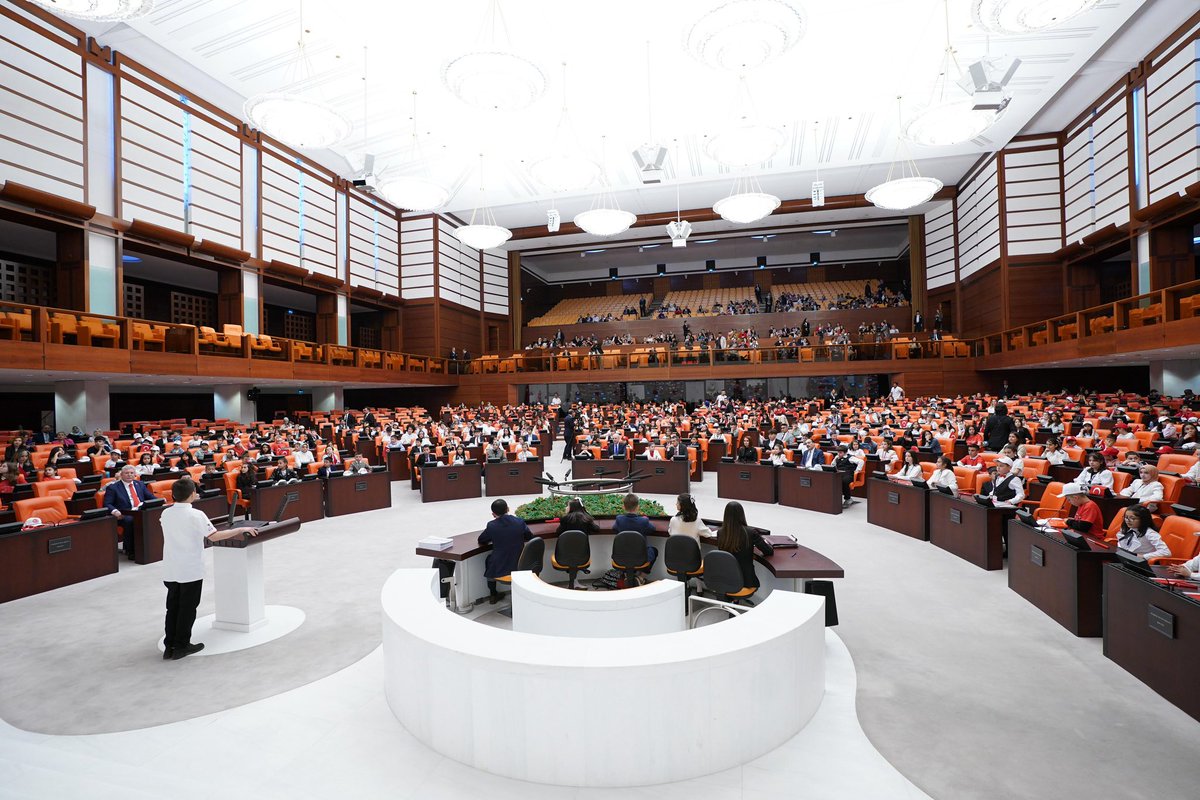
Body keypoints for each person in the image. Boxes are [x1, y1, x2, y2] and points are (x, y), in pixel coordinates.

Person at [161, 478, 256, 660]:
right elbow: (214, 536)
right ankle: (181, 645)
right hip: (189, 568)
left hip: (171, 567)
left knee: (172, 607)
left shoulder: (166, 513)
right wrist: (240, 529)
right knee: (187, 609)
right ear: (192, 495)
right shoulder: (196, 514)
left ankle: (170, 645)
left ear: (173, 495)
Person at [478, 499, 533, 603]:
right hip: (520, 564)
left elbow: (482, 539)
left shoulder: (492, 525)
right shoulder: (519, 521)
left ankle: (493, 595)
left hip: (499, 567)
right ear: (508, 509)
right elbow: (529, 536)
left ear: (493, 514)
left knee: (489, 560)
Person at [716, 501, 773, 590]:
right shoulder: (751, 533)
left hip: (726, 579)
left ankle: (734, 601)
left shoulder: (720, 533)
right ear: (741, 515)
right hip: (746, 581)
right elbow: (768, 551)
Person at [103, 464, 154, 559]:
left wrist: (160, 500)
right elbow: (107, 504)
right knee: (130, 521)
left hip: (140, 511)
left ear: (135, 474)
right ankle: (131, 551)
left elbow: (151, 497)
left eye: (131, 473)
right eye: (127, 473)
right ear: (121, 475)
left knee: (152, 516)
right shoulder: (113, 487)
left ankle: (151, 547)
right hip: (124, 514)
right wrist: (115, 511)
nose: (129, 475)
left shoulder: (140, 484)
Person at [613, 493, 659, 572]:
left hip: (621, 557)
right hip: (640, 558)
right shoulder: (644, 521)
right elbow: (652, 529)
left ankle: (625, 576)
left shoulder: (619, 519)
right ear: (638, 507)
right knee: (654, 551)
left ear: (623, 507)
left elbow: (614, 528)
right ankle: (641, 577)